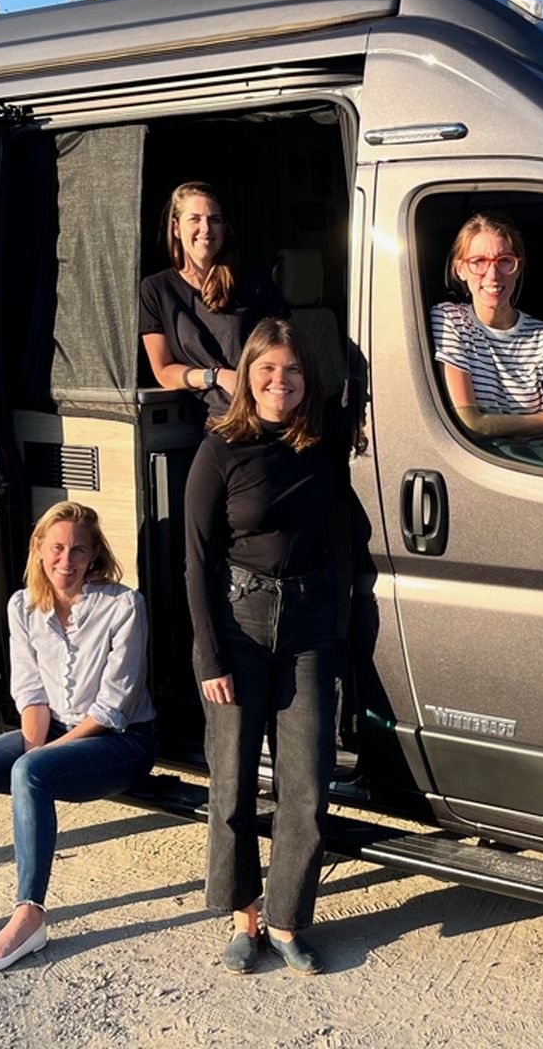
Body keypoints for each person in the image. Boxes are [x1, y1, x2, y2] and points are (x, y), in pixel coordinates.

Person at [0, 501, 156, 973]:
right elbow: (31, 691)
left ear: (95, 554)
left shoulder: (124, 605)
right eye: (57, 548)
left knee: (31, 770)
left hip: (121, 740)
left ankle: (29, 916)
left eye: (79, 550)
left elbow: (114, 704)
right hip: (54, 728)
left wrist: (40, 757)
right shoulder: (23, 605)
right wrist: (36, 745)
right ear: (39, 549)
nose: (67, 560)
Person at [184, 317, 347, 976]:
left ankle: (286, 921)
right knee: (232, 787)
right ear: (248, 377)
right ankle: (243, 918)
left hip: (307, 623)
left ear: (308, 379)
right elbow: (195, 561)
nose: (281, 382)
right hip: (239, 622)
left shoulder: (324, 440)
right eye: (267, 371)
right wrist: (208, 657)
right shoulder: (221, 448)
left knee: (306, 785)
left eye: (293, 371)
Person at [431, 212, 543, 453]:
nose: (493, 275)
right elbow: (471, 423)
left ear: (518, 267)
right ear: (460, 270)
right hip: (478, 471)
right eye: (478, 262)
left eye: (504, 260)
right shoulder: (449, 320)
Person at [140, 181, 287, 419]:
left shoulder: (254, 284)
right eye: (195, 219)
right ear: (176, 228)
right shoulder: (156, 289)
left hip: (264, 412)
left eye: (214, 219)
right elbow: (164, 371)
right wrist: (217, 376)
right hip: (211, 420)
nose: (206, 228)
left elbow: (283, 354)